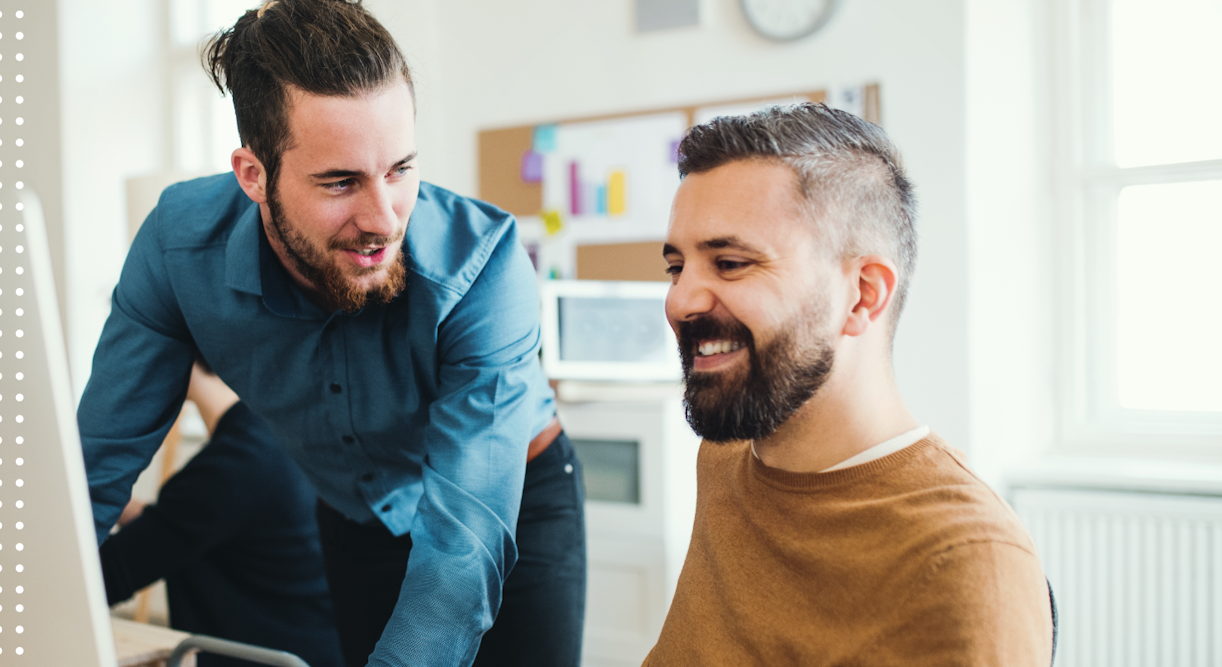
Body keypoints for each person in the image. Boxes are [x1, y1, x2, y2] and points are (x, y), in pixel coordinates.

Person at [75, 1, 586, 666]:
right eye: (340, 181)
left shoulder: (483, 266)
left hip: (507, 501)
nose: (382, 218)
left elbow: (460, 551)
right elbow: (94, 467)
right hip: (356, 514)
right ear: (253, 174)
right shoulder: (178, 251)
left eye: (400, 169)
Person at [647, 104, 1053, 665]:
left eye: (731, 263)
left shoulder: (966, 563)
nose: (680, 301)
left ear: (863, 294)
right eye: (677, 267)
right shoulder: (725, 454)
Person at [98, 361, 342, 667]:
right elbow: (180, 530)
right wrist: (108, 498)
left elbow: (105, 576)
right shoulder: (278, 439)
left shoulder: (237, 464)